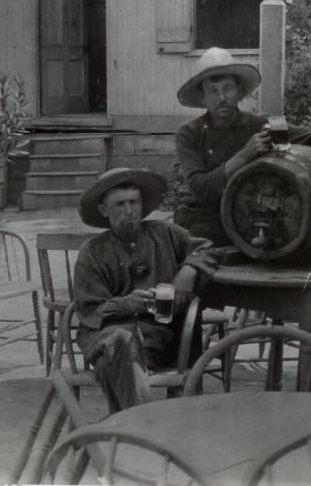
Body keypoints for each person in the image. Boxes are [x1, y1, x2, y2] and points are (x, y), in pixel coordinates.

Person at [73, 167, 218, 412]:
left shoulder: (165, 234)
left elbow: (207, 250)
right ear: (104, 210)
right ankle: (141, 426)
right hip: (105, 337)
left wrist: (189, 270)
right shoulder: (92, 252)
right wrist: (126, 304)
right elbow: (89, 310)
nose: (129, 211)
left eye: (134, 202)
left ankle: (127, 429)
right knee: (120, 344)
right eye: (119, 204)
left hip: (153, 339)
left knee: (123, 358)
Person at [175, 47, 311, 244]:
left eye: (228, 88)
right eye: (213, 91)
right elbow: (203, 189)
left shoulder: (260, 124)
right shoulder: (189, 133)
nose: (222, 98)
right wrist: (244, 156)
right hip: (202, 223)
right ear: (202, 97)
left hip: (247, 217)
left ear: (240, 92)